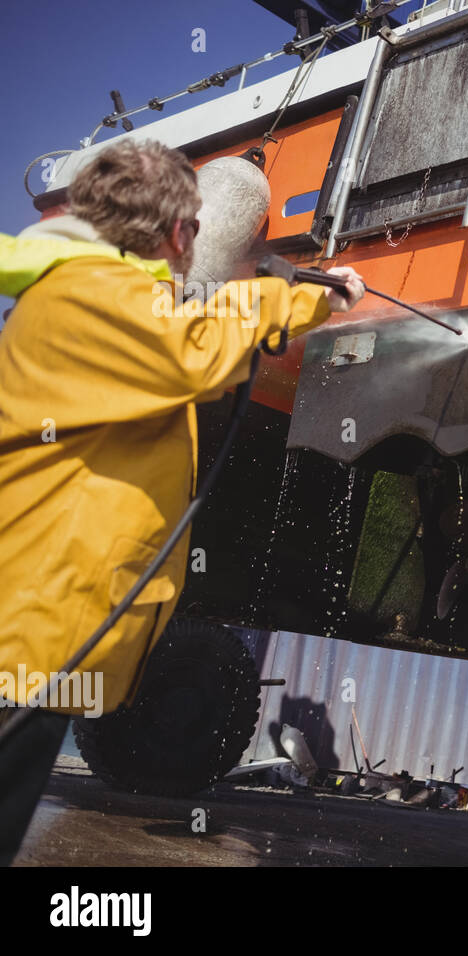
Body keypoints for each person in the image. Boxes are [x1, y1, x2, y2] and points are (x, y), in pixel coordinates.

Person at [0, 138, 364, 865]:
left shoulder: (76, 287)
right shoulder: (90, 293)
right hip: (30, 620)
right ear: (177, 231)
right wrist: (299, 299)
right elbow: (188, 352)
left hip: (41, 614)